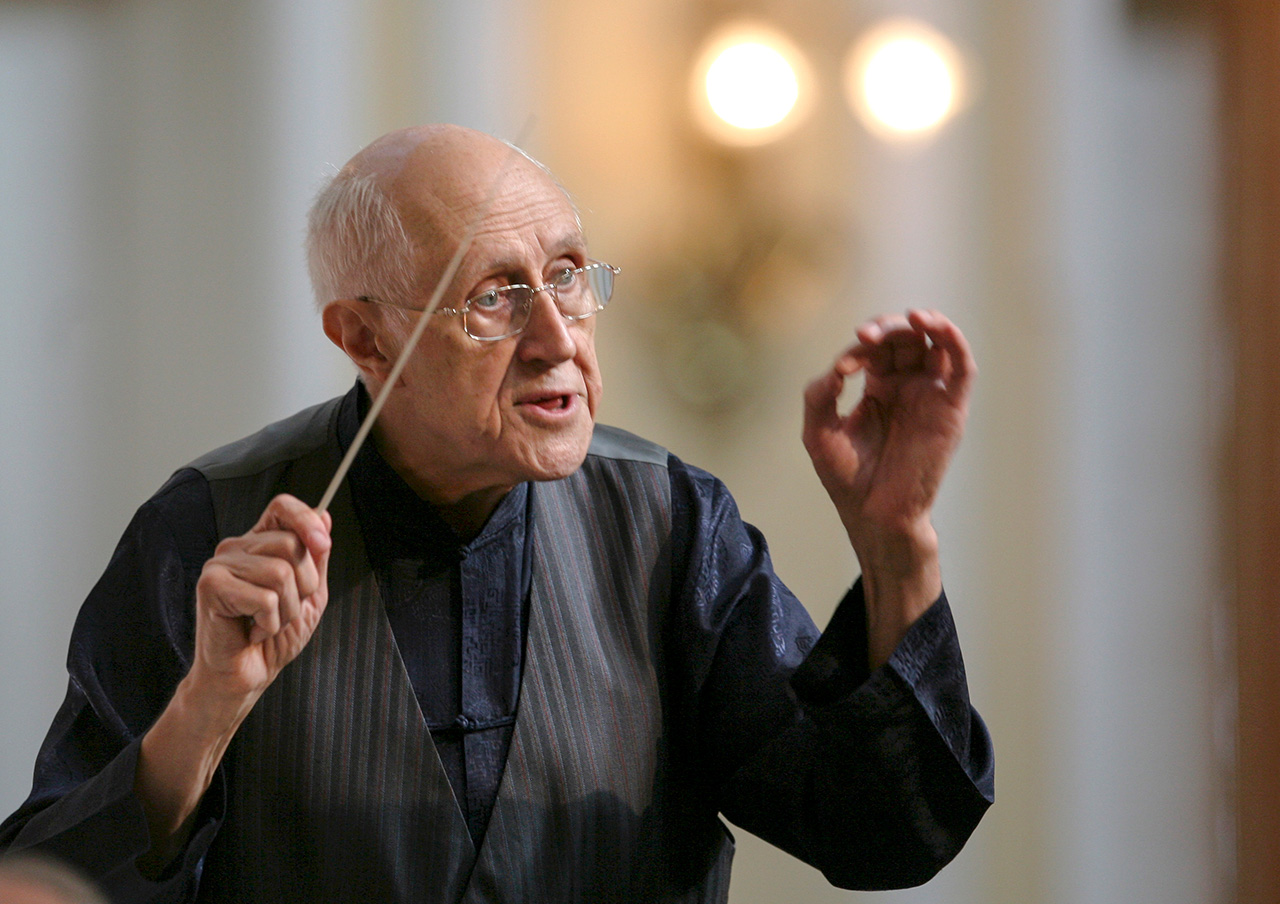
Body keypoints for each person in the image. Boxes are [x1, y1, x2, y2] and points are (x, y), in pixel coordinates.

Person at [0, 125, 993, 903]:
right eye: (494, 296)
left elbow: (884, 834)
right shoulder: (207, 530)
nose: (556, 336)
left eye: (566, 273)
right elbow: (54, 889)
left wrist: (894, 544)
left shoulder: (671, 524)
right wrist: (207, 708)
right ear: (364, 336)